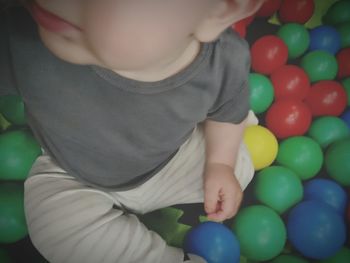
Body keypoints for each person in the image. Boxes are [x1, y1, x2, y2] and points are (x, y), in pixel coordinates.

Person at [0, 0, 263, 262]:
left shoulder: (221, 61)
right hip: (70, 171)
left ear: (220, 9)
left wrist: (220, 164)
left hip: (169, 162)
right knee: (53, 226)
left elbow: (228, 112)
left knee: (239, 168)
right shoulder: (20, 34)